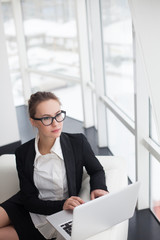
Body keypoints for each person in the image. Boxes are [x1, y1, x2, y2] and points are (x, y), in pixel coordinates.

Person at [0, 91, 108, 240]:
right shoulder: (22, 153)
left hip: (52, 216)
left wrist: (99, 187)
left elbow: (96, 170)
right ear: (33, 121)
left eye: (58, 114)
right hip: (28, 204)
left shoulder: (77, 143)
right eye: (46, 118)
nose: (55, 123)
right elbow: (28, 200)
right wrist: (62, 205)